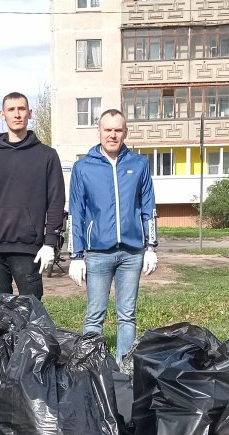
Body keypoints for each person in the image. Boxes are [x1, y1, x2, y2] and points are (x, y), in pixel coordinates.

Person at [67, 109, 158, 364]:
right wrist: (75, 255)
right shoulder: (83, 167)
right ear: (99, 132)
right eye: (108, 130)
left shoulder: (138, 164)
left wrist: (151, 246)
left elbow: (148, 206)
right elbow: (76, 211)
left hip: (131, 253)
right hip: (98, 253)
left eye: (118, 130)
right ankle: (90, 367)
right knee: (95, 314)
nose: (113, 135)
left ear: (125, 132)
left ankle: (124, 367)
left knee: (127, 315)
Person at [0, 92, 65, 299]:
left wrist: (50, 243)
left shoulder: (47, 156)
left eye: (21, 109)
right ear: (2, 114)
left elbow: (56, 202)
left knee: (31, 315)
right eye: (11, 109)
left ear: (30, 113)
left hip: (28, 248)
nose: (17, 114)